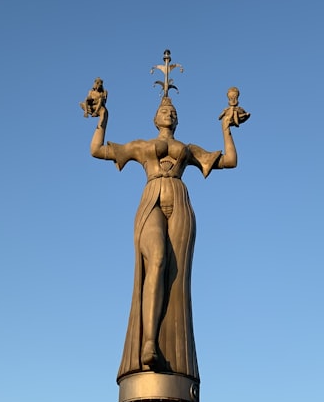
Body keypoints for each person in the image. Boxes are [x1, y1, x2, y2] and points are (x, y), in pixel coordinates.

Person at [90, 97, 237, 384]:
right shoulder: (141, 146)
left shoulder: (189, 149)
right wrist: (102, 119)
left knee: (175, 275)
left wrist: (226, 127)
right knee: (155, 261)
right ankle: (148, 343)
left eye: (173, 111)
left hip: (180, 205)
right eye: (163, 110)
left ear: (177, 120)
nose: (168, 112)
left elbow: (230, 161)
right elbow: (97, 150)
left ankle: (168, 346)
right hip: (151, 201)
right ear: (155, 119)